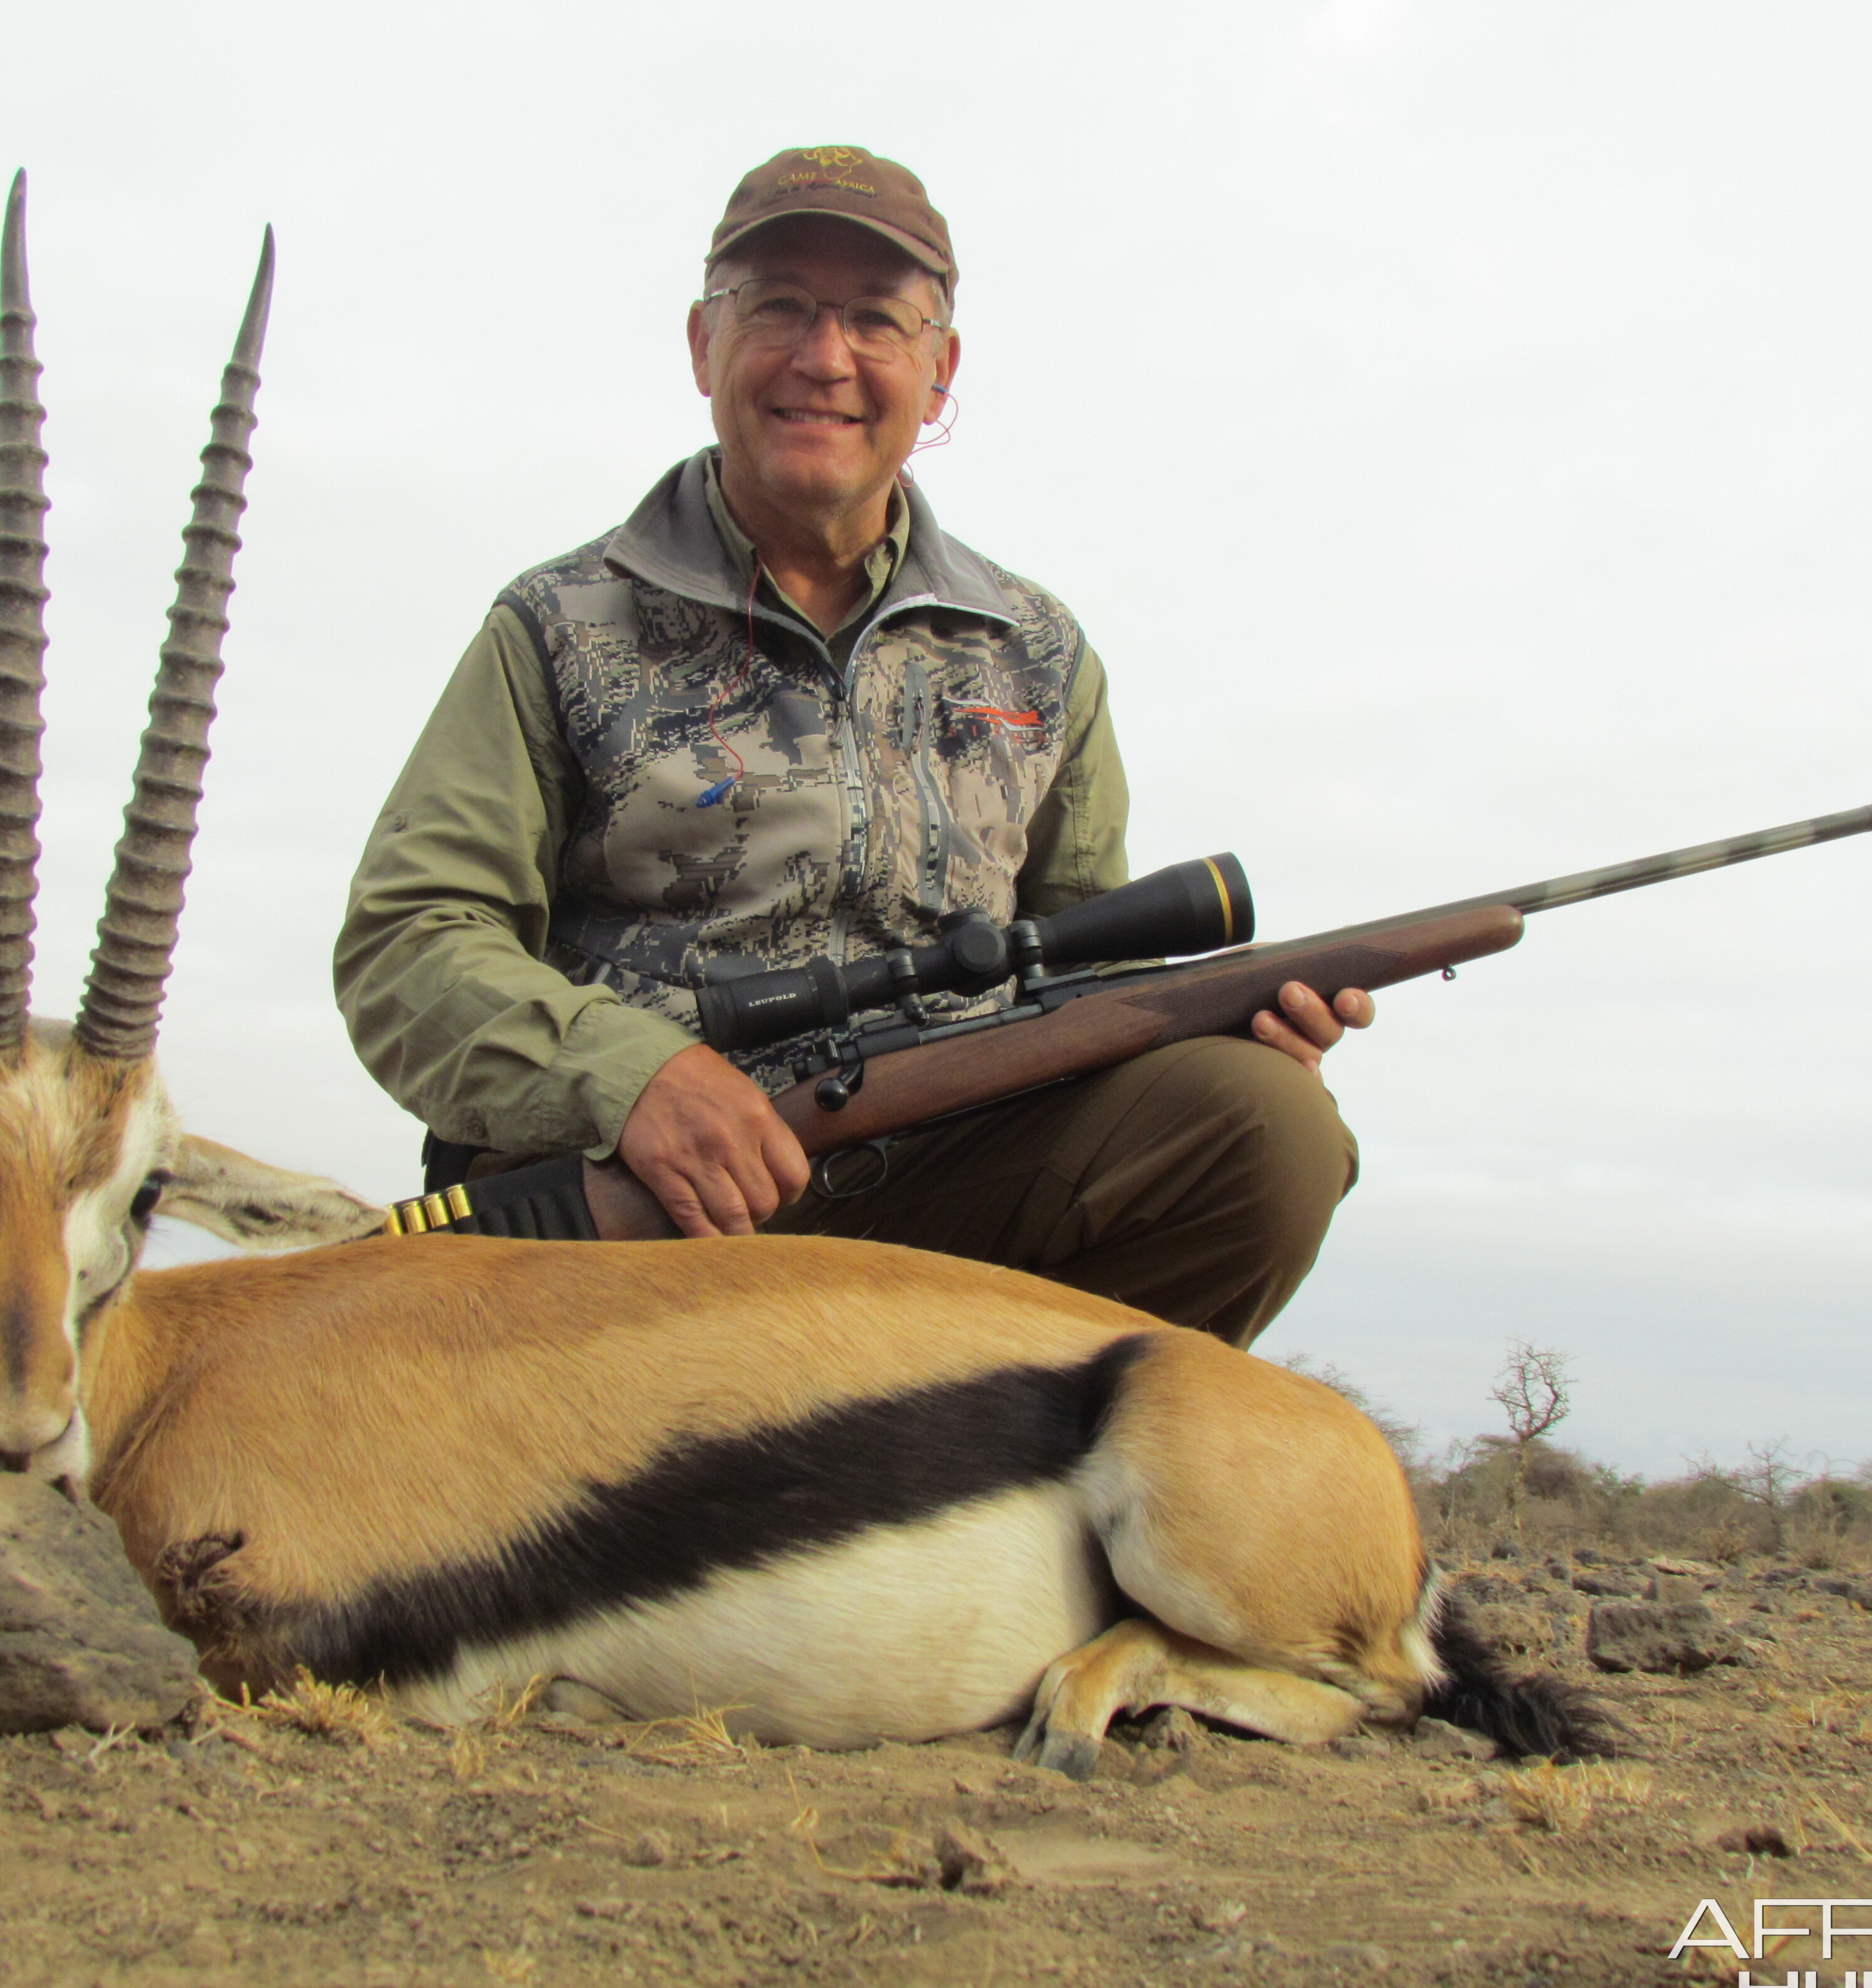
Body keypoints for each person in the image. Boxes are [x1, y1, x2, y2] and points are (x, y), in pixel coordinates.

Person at [335, 145, 1369, 1347]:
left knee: (1265, 1126)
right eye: (778, 307)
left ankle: (1002, 1484)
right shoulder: (554, 624)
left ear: (940, 373)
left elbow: (1081, 978)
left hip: (943, 1174)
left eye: (878, 320)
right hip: (638, 1196)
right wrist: (634, 1080)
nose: (825, 358)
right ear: (702, 344)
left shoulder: (1039, 651)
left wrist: (1212, 1021)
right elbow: (409, 946)